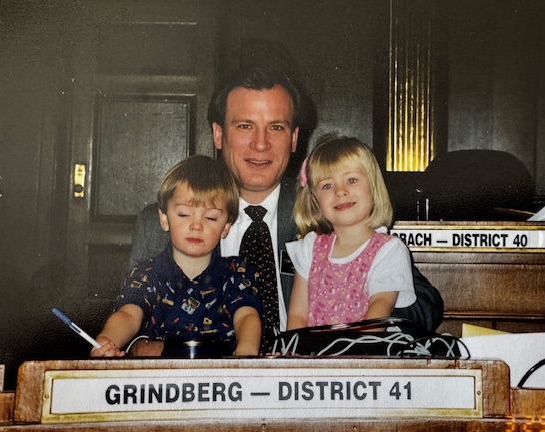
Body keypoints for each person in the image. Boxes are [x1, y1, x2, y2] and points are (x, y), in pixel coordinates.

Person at [127, 65, 443, 356]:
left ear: (294, 139)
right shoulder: (165, 221)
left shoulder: (328, 208)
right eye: (245, 126)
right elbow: (131, 329)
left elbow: (425, 302)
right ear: (219, 135)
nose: (261, 144)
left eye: (275, 128)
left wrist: (355, 322)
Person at [91, 155, 262, 358]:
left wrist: (244, 357)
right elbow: (128, 314)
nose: (196, 226)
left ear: (225, 227)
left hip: (220, 379)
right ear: (164, 219)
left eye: (210, 217)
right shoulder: (147, 274)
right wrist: (106, 340)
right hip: (159, 381)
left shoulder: (237, 274)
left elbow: (247, 317)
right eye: (183, 214)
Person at [286, 134, 416, 329]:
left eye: (352, 180)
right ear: (315, 199)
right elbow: (297, 315)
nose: (340, 191)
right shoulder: (310, 248)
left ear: (372, 186)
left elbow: (377, 317)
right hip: (311, 356)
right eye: (327, 186)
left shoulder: (387, 250)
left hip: (363, 353)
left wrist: (348, 359)